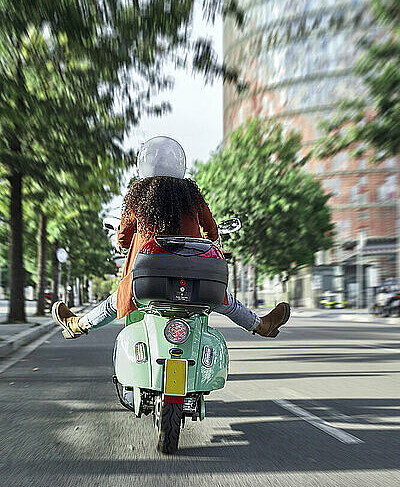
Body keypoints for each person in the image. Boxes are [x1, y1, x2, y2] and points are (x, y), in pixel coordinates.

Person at [52, 136, 290, 339]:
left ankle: (78, 325)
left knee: (118, 299)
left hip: (150, 279)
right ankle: (262, 326)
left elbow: (123, 239)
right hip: (196, 276)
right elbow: (212, 231)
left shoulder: (139, 198)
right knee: (222, 298)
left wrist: (128, 241)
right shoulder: (192, 196)